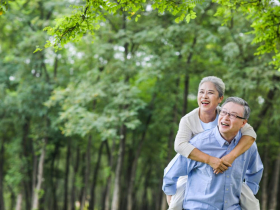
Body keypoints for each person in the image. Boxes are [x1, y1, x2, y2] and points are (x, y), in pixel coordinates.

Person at [168, 76, 258, 210]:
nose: (204, 96)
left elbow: (250, 134)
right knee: (175, 203)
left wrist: (230, 157)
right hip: (194, 174)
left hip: (228, 174)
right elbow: (180, 146)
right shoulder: (188, 120)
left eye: (210, 93)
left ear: (220, 98)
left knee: (252, 204)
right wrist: (210, 160)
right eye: (201, 92)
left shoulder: (226, 115)